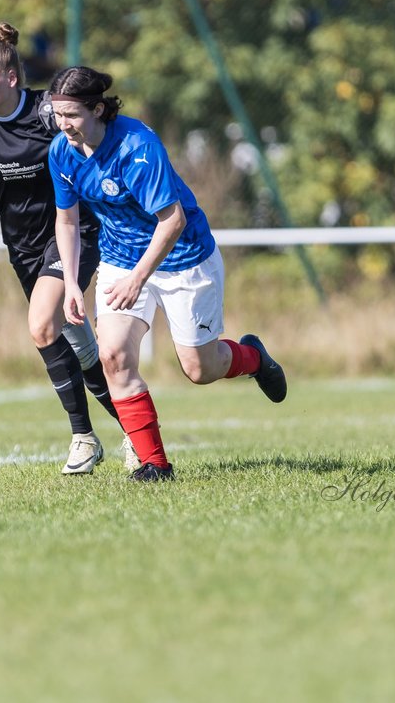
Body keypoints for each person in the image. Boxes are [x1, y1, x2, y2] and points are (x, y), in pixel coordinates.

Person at [48, 65, 287, 482]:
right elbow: (66, 221)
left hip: (183, 258)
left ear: (98, 109)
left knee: (199, 369)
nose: (62, 124)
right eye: (57, 114)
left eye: (71, 115)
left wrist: (139, 278)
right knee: (113, 355)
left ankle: (252, 358)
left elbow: (172, 220)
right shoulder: (62, 152)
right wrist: (71, 283)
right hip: (121, 259)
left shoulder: (137, 148)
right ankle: (155, 465)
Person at [0, 23, 124, 475]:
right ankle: (136, 432)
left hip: (75, 234)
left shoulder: (44, 114)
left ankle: (83, 437)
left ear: (11, 79)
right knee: (78, 346)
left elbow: (95, 142)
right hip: (22, 247)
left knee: (41, 326)